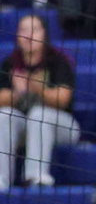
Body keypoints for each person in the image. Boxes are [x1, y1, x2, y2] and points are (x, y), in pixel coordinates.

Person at [0, 14, 79, 188]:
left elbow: (63, 99)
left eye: (34, 30)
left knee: (39, 114)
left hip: (63, 127)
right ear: (17, 36)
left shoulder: (58, 60)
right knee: (4, 115)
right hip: (25, 130)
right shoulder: (10, 63)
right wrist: (19, 93)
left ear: (44, 34)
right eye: (24, 30)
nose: (29, 35)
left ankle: (36, 179)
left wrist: (38, 88)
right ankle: (1, 181)